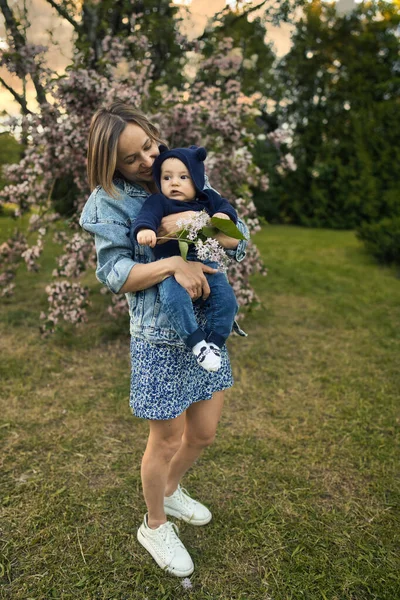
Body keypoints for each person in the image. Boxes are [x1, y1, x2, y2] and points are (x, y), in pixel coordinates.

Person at [79, 101, 249, 578]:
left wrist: (190, 224)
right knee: (167, 436)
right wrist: (174, 263)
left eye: (150, 146)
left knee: (203, 433)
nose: (150, 162)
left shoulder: (182, 172)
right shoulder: (108, 201)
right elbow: (115, 273)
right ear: (112, 165)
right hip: (159, 339)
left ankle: (172, 493)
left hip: (208, 336)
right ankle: (155, 524)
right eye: (134, 159)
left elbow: (239, 234)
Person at [133, 144, 240, 373]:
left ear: (197, 179)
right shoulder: (159, 201)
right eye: (167, 177)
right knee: (173, 299)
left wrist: (222, 216)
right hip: (172, 267)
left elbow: (226, 211)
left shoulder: (207, 198)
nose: (174, 182)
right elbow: (147, 216)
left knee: (227, 301)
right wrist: (145, 229)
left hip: (207, 264)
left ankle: (214, 342)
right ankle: (197, 342)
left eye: (183, 176)